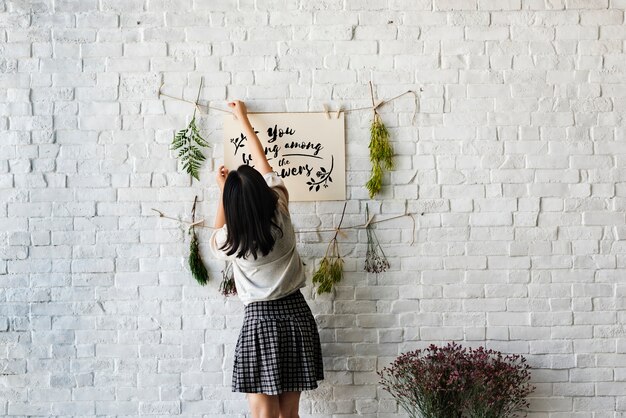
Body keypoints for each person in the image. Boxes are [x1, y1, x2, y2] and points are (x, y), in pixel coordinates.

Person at [210, 100, 325, 418]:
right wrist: (243, 120)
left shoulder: (231, 241)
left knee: (264, 416)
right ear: (263, 193)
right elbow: (265, 166)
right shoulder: (281, 213)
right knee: (289, 416)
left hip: (260, 324)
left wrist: (222, 192)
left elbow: (216, 233)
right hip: (297, 317)